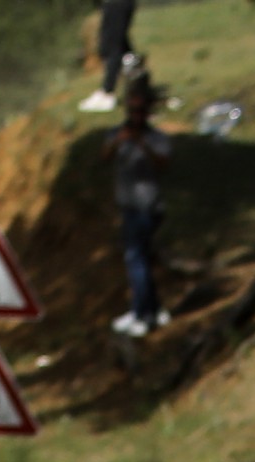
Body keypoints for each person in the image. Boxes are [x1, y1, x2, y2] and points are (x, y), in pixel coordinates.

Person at [110, 81, 167, 337]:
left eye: (140, 111)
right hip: (128, 206)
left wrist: (143, 144)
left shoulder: (156, 138)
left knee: (136, 260)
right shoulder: (118, 135)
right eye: (131, 111)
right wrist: (119, 141)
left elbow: (164, 163)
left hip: (147, 208)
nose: (135, 117)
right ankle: (151, 308)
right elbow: (103, 156)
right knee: (140, 259)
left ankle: (142, 315)